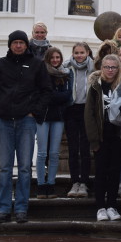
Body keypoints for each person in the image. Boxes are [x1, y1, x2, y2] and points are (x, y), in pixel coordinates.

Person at [0, 30, 51, 224]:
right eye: (15, 43)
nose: (18, 45)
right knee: (4, 168)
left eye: (21, 42)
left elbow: (46, 91)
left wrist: (35, 112)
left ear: (26, 45)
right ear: (10, 45)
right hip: (4, 122)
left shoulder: (37, 64)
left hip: (26, 122)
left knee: (25, 168)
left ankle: (21, 208)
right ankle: (3, 209)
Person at [84, 54, 121, 221]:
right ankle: (100, 206)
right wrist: (93, 140)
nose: (110, 70)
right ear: (102, 68)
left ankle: (112, 205)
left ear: (118, 69)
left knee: (115, 173)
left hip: (118, 135)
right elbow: (89, 114)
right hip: (101, 136)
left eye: (113, 67)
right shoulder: (95, 86)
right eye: (107, 67)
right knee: (101, 172)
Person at [35, 47, 71, 199]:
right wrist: (56, 96)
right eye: (53, 57)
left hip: (58, 116)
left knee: (55, 153)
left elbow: (67, 96)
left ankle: (51, 184)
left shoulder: (66, 74)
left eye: (58, 57)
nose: (55, 60)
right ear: (48, 58)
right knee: (42, 153)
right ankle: (41, 185)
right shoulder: (42, 73)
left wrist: (52, 95)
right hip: (43, 116)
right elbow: (43, 95)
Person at [63, 42, 95, 198]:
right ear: (73, 54)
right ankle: (75, 181)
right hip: (71, 110)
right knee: (73, 149)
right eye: (76, 53)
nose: (79, 55)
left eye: (82, 52)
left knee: (85, 148)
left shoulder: (94, 68)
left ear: (88, 53)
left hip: (87, 110)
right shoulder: (66, 68)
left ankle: (84, 182)